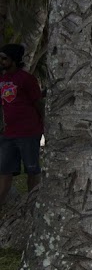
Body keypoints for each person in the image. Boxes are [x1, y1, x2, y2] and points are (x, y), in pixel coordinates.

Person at [0, 44, 44, 206]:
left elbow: (39, 103)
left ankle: (33, 205)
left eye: (5, 58)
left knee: (32, 170)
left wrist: (45, 127)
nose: (2, 62)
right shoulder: (3, 80)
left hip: (29, 132)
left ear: (14, 59)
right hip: (9, 134)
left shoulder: (27, 79)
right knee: (4, 171)